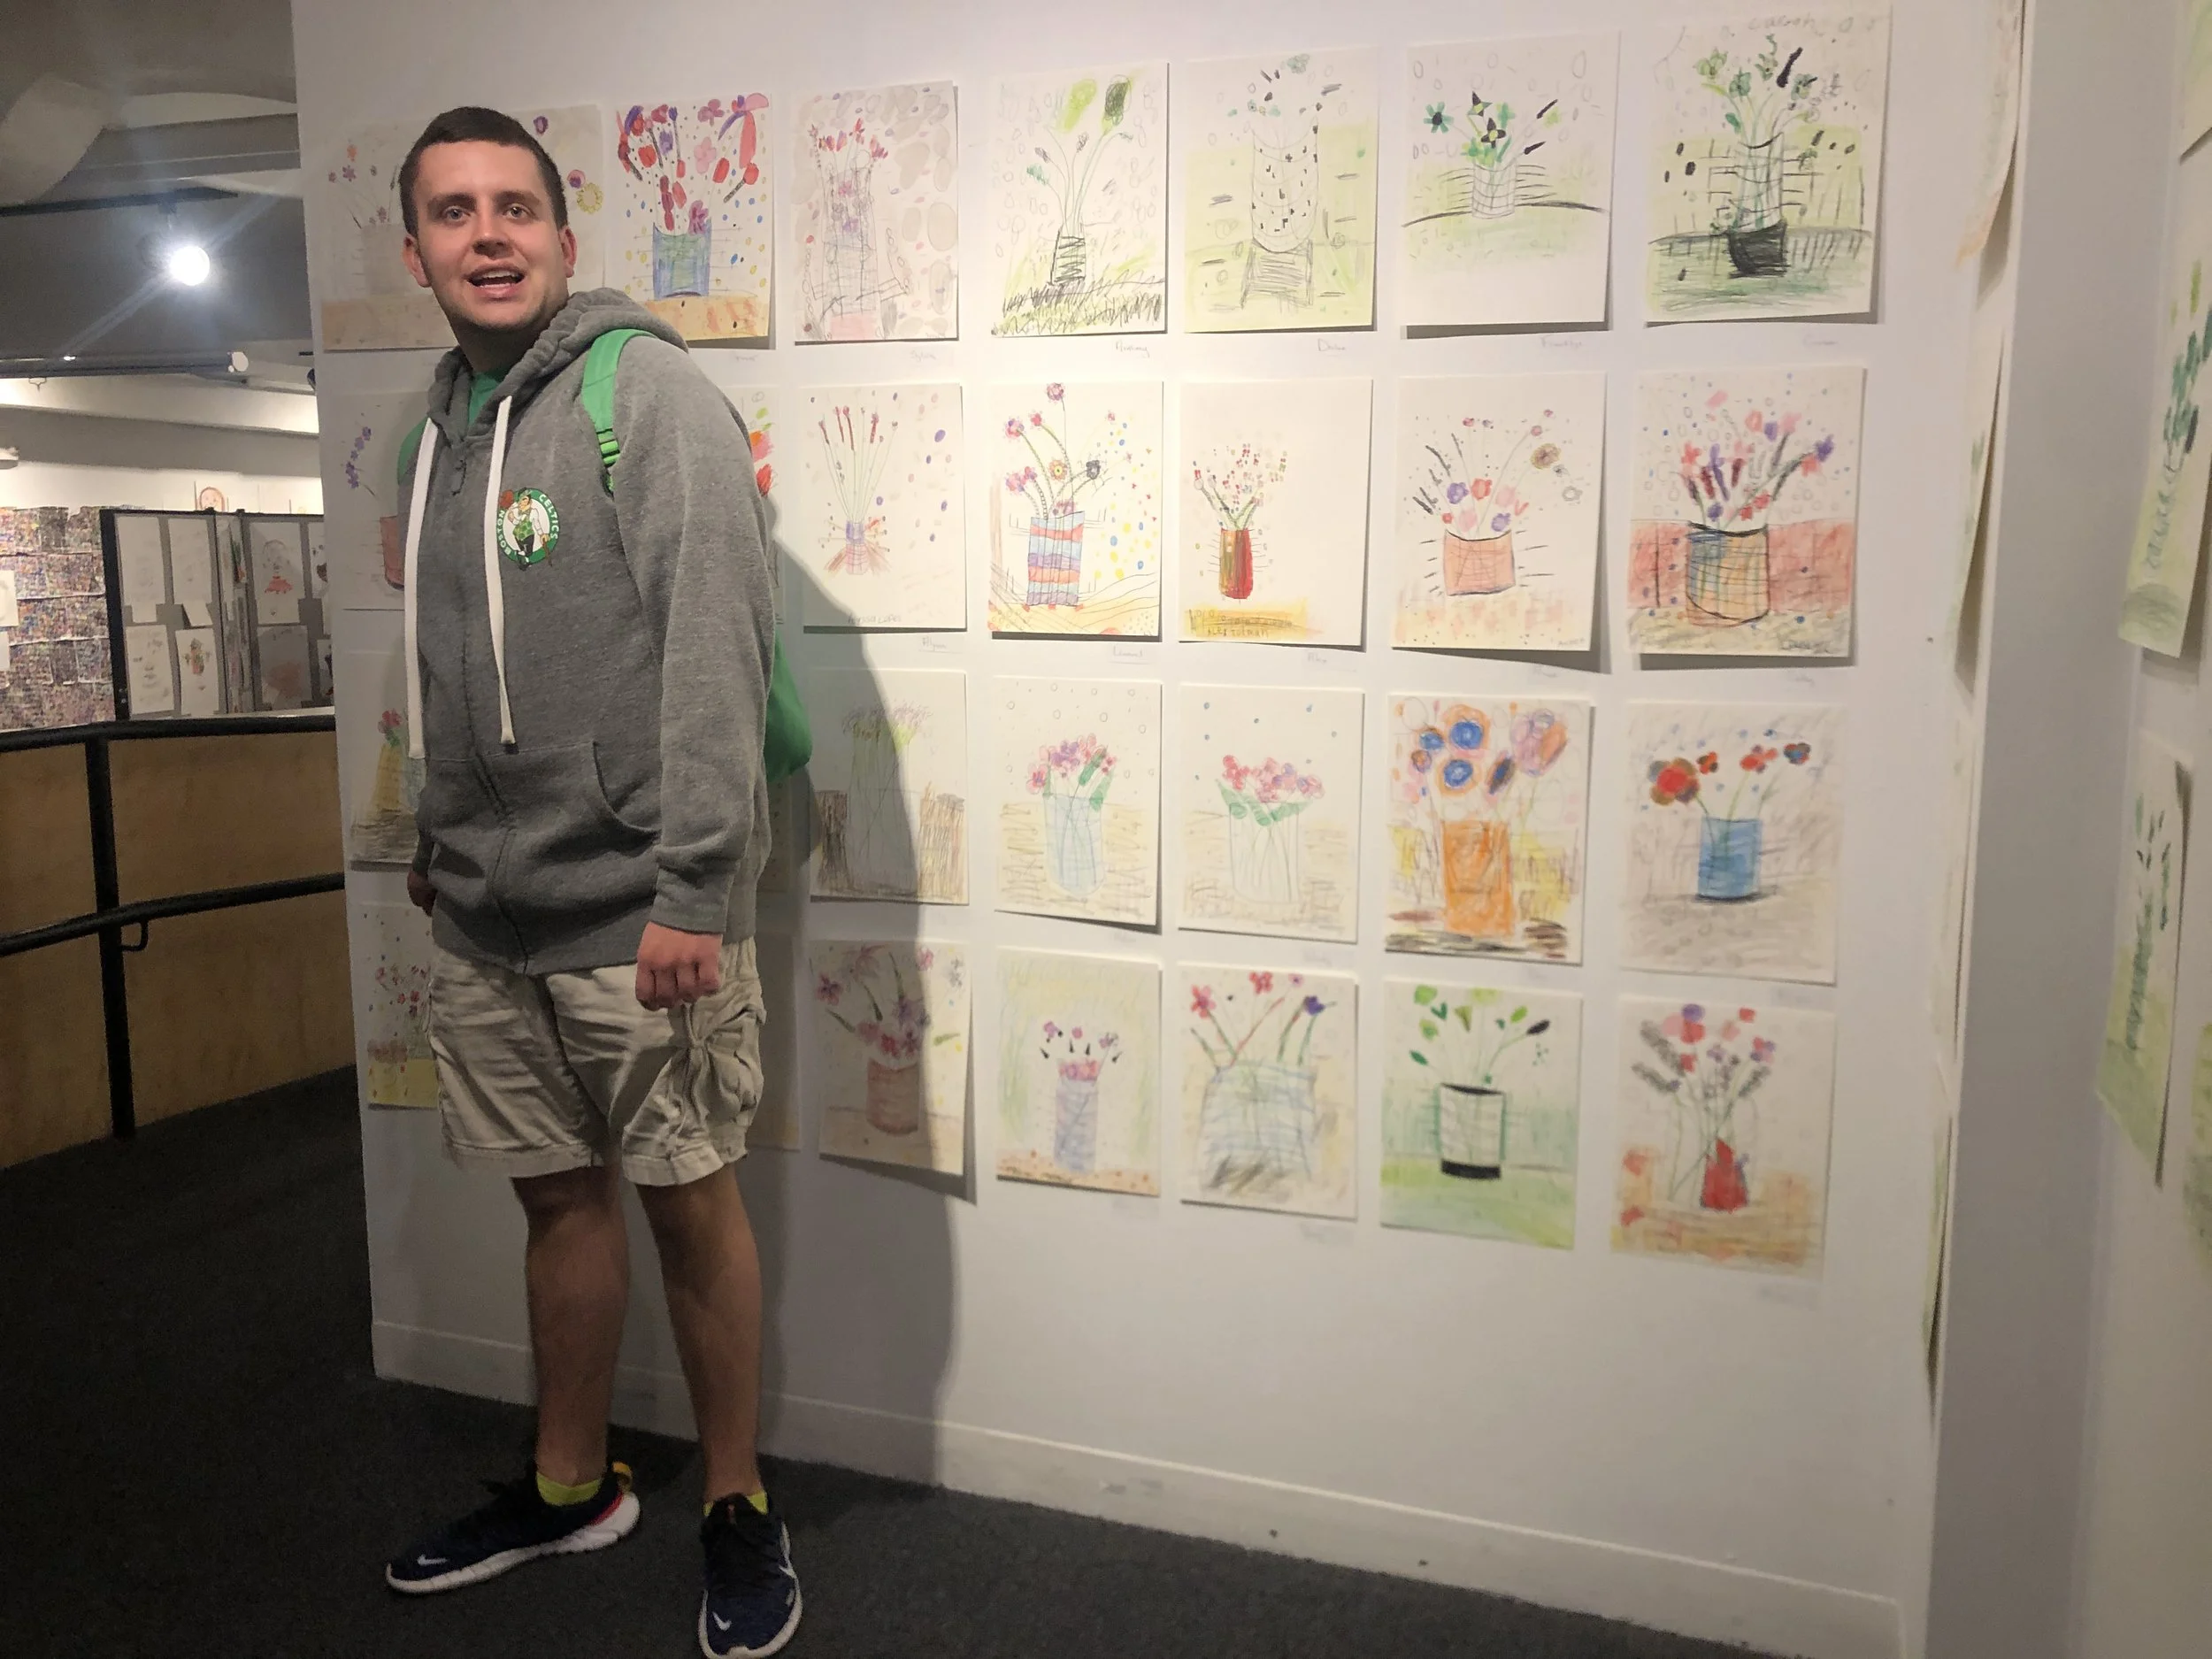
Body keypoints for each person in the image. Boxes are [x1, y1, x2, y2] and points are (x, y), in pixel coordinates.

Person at [375, 105, 798, 1659]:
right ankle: (570, 1484)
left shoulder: (649, 393)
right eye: (453, 211)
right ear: (414, 249)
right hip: (490, 914)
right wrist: (440, 845)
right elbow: (441, 666)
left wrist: (694, 884)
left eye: (513, 207)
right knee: (557, 1197)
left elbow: (715, 645)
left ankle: (737, 1501)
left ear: (564, 235)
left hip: (643, 907)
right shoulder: (434, 434)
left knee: (690, 1201)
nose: (486, 234)